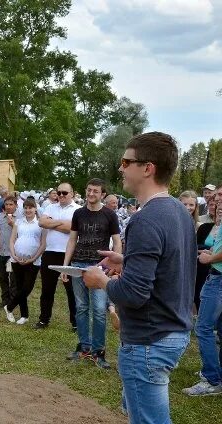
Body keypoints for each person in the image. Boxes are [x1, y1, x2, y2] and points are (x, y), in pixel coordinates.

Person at [83, 132, 196, 422]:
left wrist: (102, 281)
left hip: (149, 340)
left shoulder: (145, 219)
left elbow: (134, 294)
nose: (121, 168)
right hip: (171, 331)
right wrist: (128, 260)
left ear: (148, 168)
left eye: (126, 161)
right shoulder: (178, 212)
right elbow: (171, 264)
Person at [61, 178, 121, 369]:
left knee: (99, 310)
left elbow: (117, 241)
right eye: (89, 190)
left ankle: (99, 352)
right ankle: (84, 347)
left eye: (95, 191)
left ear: (102, 194)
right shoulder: (78, 213)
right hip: (78, 263)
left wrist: (115, 263)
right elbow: (72, 240)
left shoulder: (110, 215)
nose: (91, 194)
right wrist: (65, 266)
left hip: (99, 268)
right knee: (81, 308)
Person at [183, 183, 222, 396]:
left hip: (217, 278)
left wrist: (211, 257)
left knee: (204, 329)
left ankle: (211, 379)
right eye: (215, 196)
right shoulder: (216, 222)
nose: (216, 199)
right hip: (214, 276)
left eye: (220, 195)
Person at [36, 183, 80, 330]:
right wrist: (63, 223)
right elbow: (42, 222)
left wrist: (52, 223)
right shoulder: (50, 207)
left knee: (71, 290)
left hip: (69, 253)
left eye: (64, 193)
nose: (61, 195)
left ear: (72, 194)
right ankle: (44, 319)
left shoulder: (78, 210)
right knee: (47, 289)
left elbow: (72, 229)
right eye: (59, 193)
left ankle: (75, 323)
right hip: (50, 252)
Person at [7, 198, 46, 325]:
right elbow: (12, 240)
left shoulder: (41, 223)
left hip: (33, 261)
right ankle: (24, 315)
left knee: (27, 287)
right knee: (19, 287)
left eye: (30, 207)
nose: (28, 210)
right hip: (17, 259)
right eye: (26, 208)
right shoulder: (18, 222)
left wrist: (32, 259)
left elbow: (43, 244)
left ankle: (9, 307)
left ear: (35, 209)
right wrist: (14, 255)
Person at [0, 196, 17, 318]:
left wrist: (13, 224)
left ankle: (12, 301)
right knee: (2, 277)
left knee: (13, 278)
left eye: (11, 204)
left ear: (15, 205)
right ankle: (4, 299)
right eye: (6, 204)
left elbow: (20, 233)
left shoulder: (21, 219)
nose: (8, 206)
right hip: (1, 252)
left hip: (13, 253)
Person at [195, 200, 220, 313]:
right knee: (199, 297)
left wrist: (211, 256)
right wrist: (204, 250)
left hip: (216, 271)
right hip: (201, 269)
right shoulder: (205, 227)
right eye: (218, 211)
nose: (220, 213)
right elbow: (193, 245)